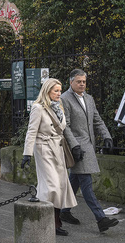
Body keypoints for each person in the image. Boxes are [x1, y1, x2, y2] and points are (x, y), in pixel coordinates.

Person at [59, 69, 119, 232]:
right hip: (78, 148)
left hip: (88, 145)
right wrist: (74, 146)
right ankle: (101, 219)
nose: (82, 84)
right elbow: (66, 126)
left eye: (84, 81)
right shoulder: (64, 99)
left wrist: (107, 136)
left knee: (75, 180)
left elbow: (97, 120)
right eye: (79, 81)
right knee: (86, 182)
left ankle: (63, 212)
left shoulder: (89, 98)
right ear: (71, 82)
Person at [21, 78, 77, 237]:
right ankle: (45, 221)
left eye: (60, 90)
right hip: (44, 149)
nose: (59, 93)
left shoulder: (59, 107)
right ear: (47, 91)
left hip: (58, 149)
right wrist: (27, 153)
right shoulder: (38, 108)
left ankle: (56, 223)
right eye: (56, 91)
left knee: (60, 188)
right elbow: (31, 131)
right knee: (51, 187)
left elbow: (63, 129)